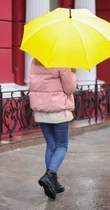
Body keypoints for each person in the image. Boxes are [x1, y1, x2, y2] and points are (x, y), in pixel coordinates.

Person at [29, 58, 77, 200]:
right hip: (58, 110)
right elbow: (70, 88)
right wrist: (72, 72)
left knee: (51, 145)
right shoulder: (63, 62)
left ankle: (52, 182)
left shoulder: (36, 61)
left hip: (41, 109)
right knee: (62, 146)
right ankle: (50, 176)